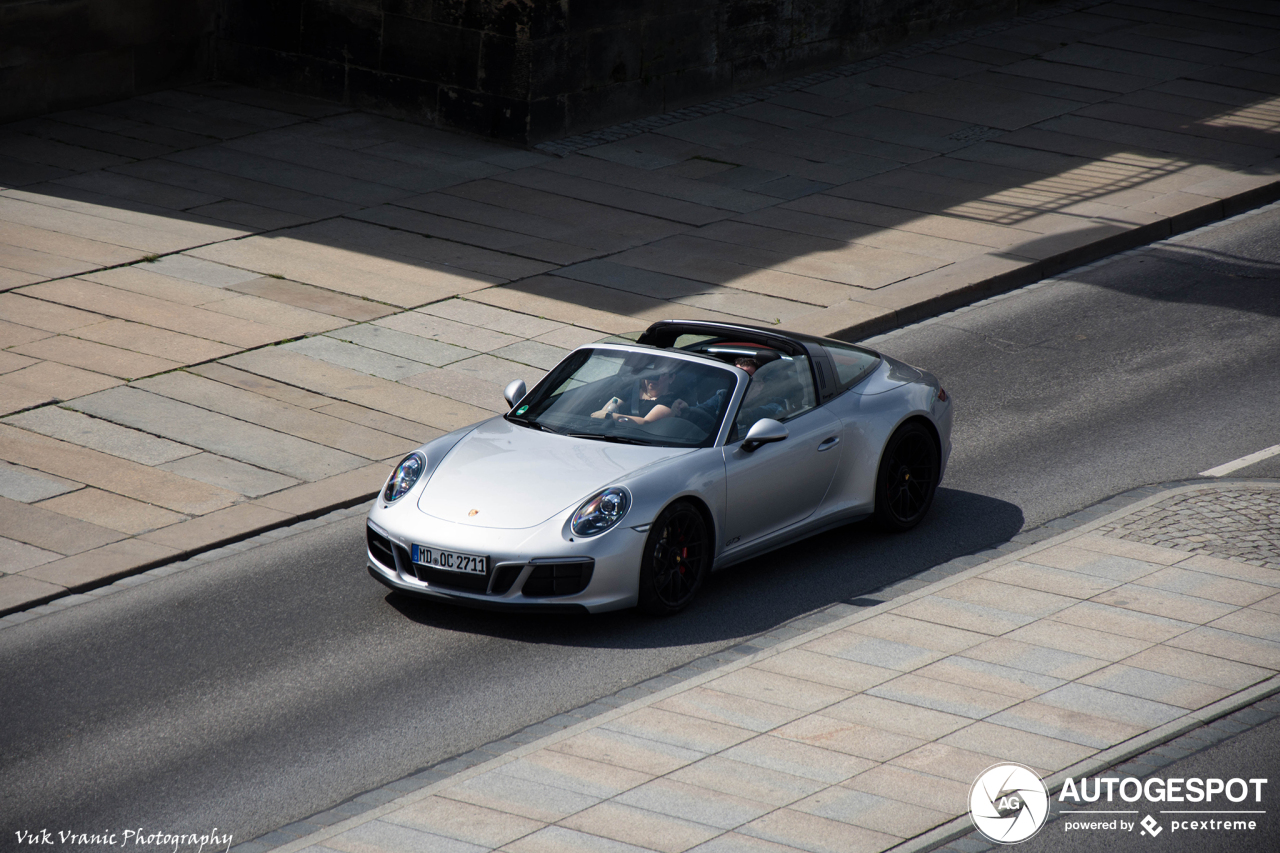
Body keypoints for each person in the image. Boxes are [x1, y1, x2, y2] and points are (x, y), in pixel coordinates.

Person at [592, 370, 679, 425]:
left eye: (661, 374)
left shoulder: (670, 400)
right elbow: (606, 409)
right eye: (651, 373)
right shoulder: (633, 391)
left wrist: (609, 416)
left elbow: (645, 422)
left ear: (671, 378)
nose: (653, 378)